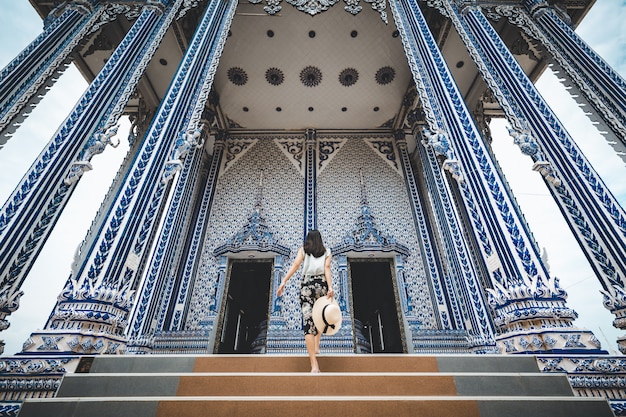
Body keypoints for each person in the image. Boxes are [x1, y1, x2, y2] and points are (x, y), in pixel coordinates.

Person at [277, 229, 334, 373]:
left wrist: (284, 281)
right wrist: (330, 287)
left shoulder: (303, 250)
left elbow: (296, 265)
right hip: (322, 286)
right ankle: (317, 345)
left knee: (309, 322)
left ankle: (314, 365)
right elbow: (327, 268)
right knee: (320, 317)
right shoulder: (327, 251)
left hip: (307, 287)